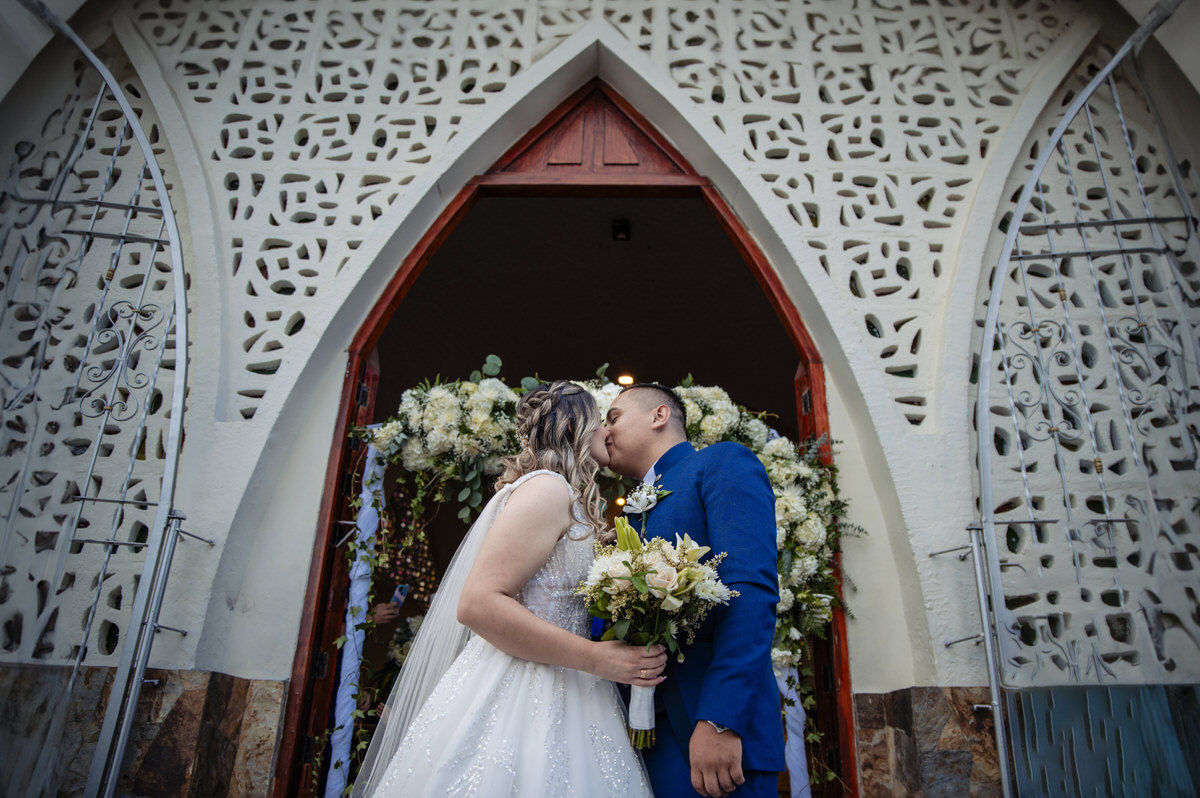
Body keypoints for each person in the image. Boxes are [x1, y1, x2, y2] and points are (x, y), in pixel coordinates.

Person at [352, 381, 665, 798]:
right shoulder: (547, 489)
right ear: (575, 426)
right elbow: (478, 604)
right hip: (522, 692)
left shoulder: (561, 496)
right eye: (600, 421)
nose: (608, 432)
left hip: (571, 689)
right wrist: (597, 658)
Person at [603, 383, 785, 798]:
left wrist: (721, 719)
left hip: (712, 728)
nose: (605, 432)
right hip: (643, 732)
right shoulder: (629, 513)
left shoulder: (720, 463)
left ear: (659, 416)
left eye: (613, 418)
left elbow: (749, 592)